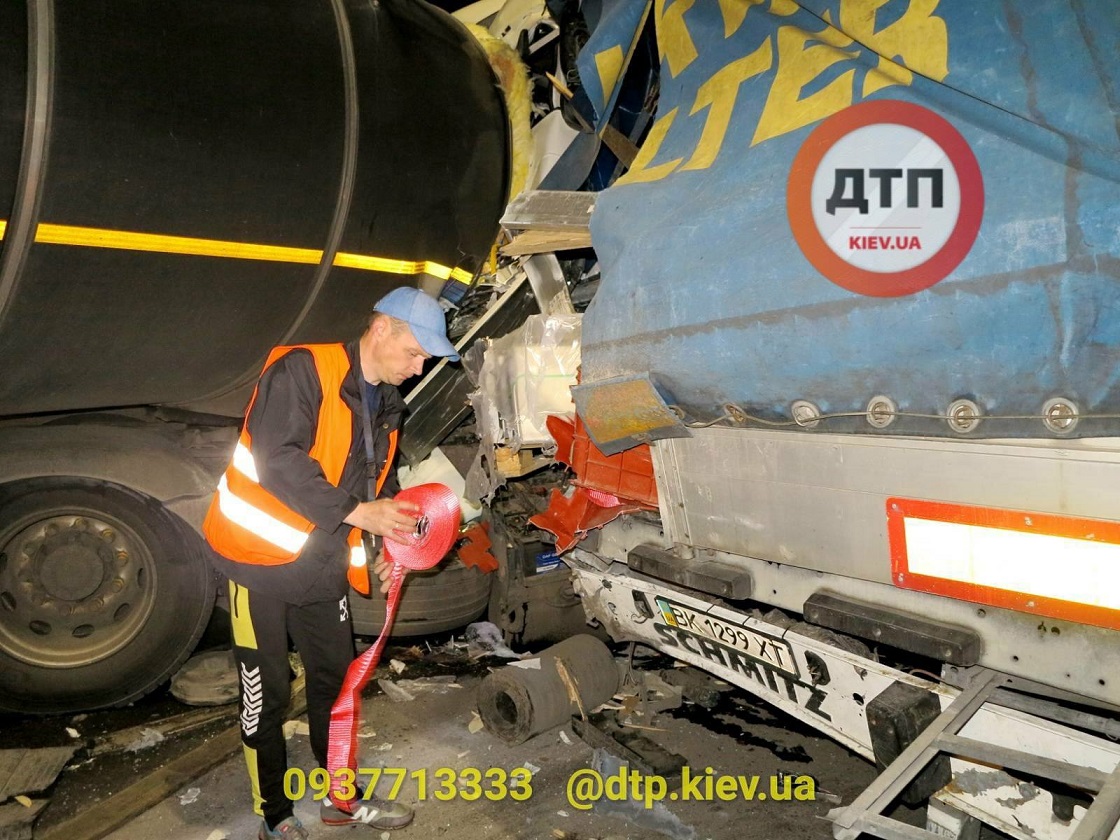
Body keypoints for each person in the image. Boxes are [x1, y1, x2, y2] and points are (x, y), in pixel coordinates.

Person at [203, 287, 460, 839]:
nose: (418, 369)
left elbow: (377, 484)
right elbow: (277, 460)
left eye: (424, 360)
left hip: (322, 565)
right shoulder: (303, 370)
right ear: (382, 328)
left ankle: (341, 800)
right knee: (266, 695)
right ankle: (274, 814)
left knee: (337, 686)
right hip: (257, 561)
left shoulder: (388, 404)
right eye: (415, 353)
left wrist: (388, 549)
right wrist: (360, 514)